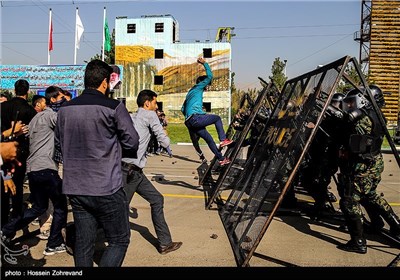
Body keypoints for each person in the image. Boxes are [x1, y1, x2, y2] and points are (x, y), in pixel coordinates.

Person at [55, 59, 140, 267]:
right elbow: (132, 140)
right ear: (104, 82)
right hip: (106, 186)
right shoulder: (113, 107)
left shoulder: (64, 109)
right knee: (119, 240)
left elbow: (59, 144)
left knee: (84, 243)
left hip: (75, 187)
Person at [1, 94, 68, 256]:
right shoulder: (50, 115)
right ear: (47, 101)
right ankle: (53, 243)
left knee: (39, 207)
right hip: (46, 168)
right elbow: (65, 126)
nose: (62, 99)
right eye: (60, 97)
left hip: (33, 169)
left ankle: (5, 230)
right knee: (60, 206)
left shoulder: (33, 121)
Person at [336, 87, 400, 254]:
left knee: (349, 201)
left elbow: (354, 140)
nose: (350, 105)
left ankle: (358, 242)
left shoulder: (363, 118)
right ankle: (396, 225)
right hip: (374, 162)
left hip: (362, 164)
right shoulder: (378, 115)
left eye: (352, 101)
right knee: (370, 195)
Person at [122, 89, 182, 255]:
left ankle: (165, 243)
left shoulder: (132, 116)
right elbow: (161, 136)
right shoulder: (149, 115)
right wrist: (168, 144)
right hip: (129, 172)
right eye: (155, 103)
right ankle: (76, 235)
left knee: (157, 199)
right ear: (147, 103)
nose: (156, 106)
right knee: (117, 209)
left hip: (133, 171)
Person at [181, 57, 232, 165]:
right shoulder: (199, 87)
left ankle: (221, 159)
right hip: (195, 118)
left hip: (190, 122)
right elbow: (210, 76)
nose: (207, 87)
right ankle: (223, 140)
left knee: (209, 139)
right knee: (217, 118)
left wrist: (190, 115)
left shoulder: (190, 93)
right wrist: (205, 63)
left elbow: (182, 109)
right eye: (207, 86)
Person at [1, 79, 37, 226]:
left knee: (3, 185)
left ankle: (3, 219)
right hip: (19, 151)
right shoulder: (30, 111)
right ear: (27, 92)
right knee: (17, 184)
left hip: (2, 150)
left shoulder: (2, 107)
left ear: (14, 90)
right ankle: (16, 217)